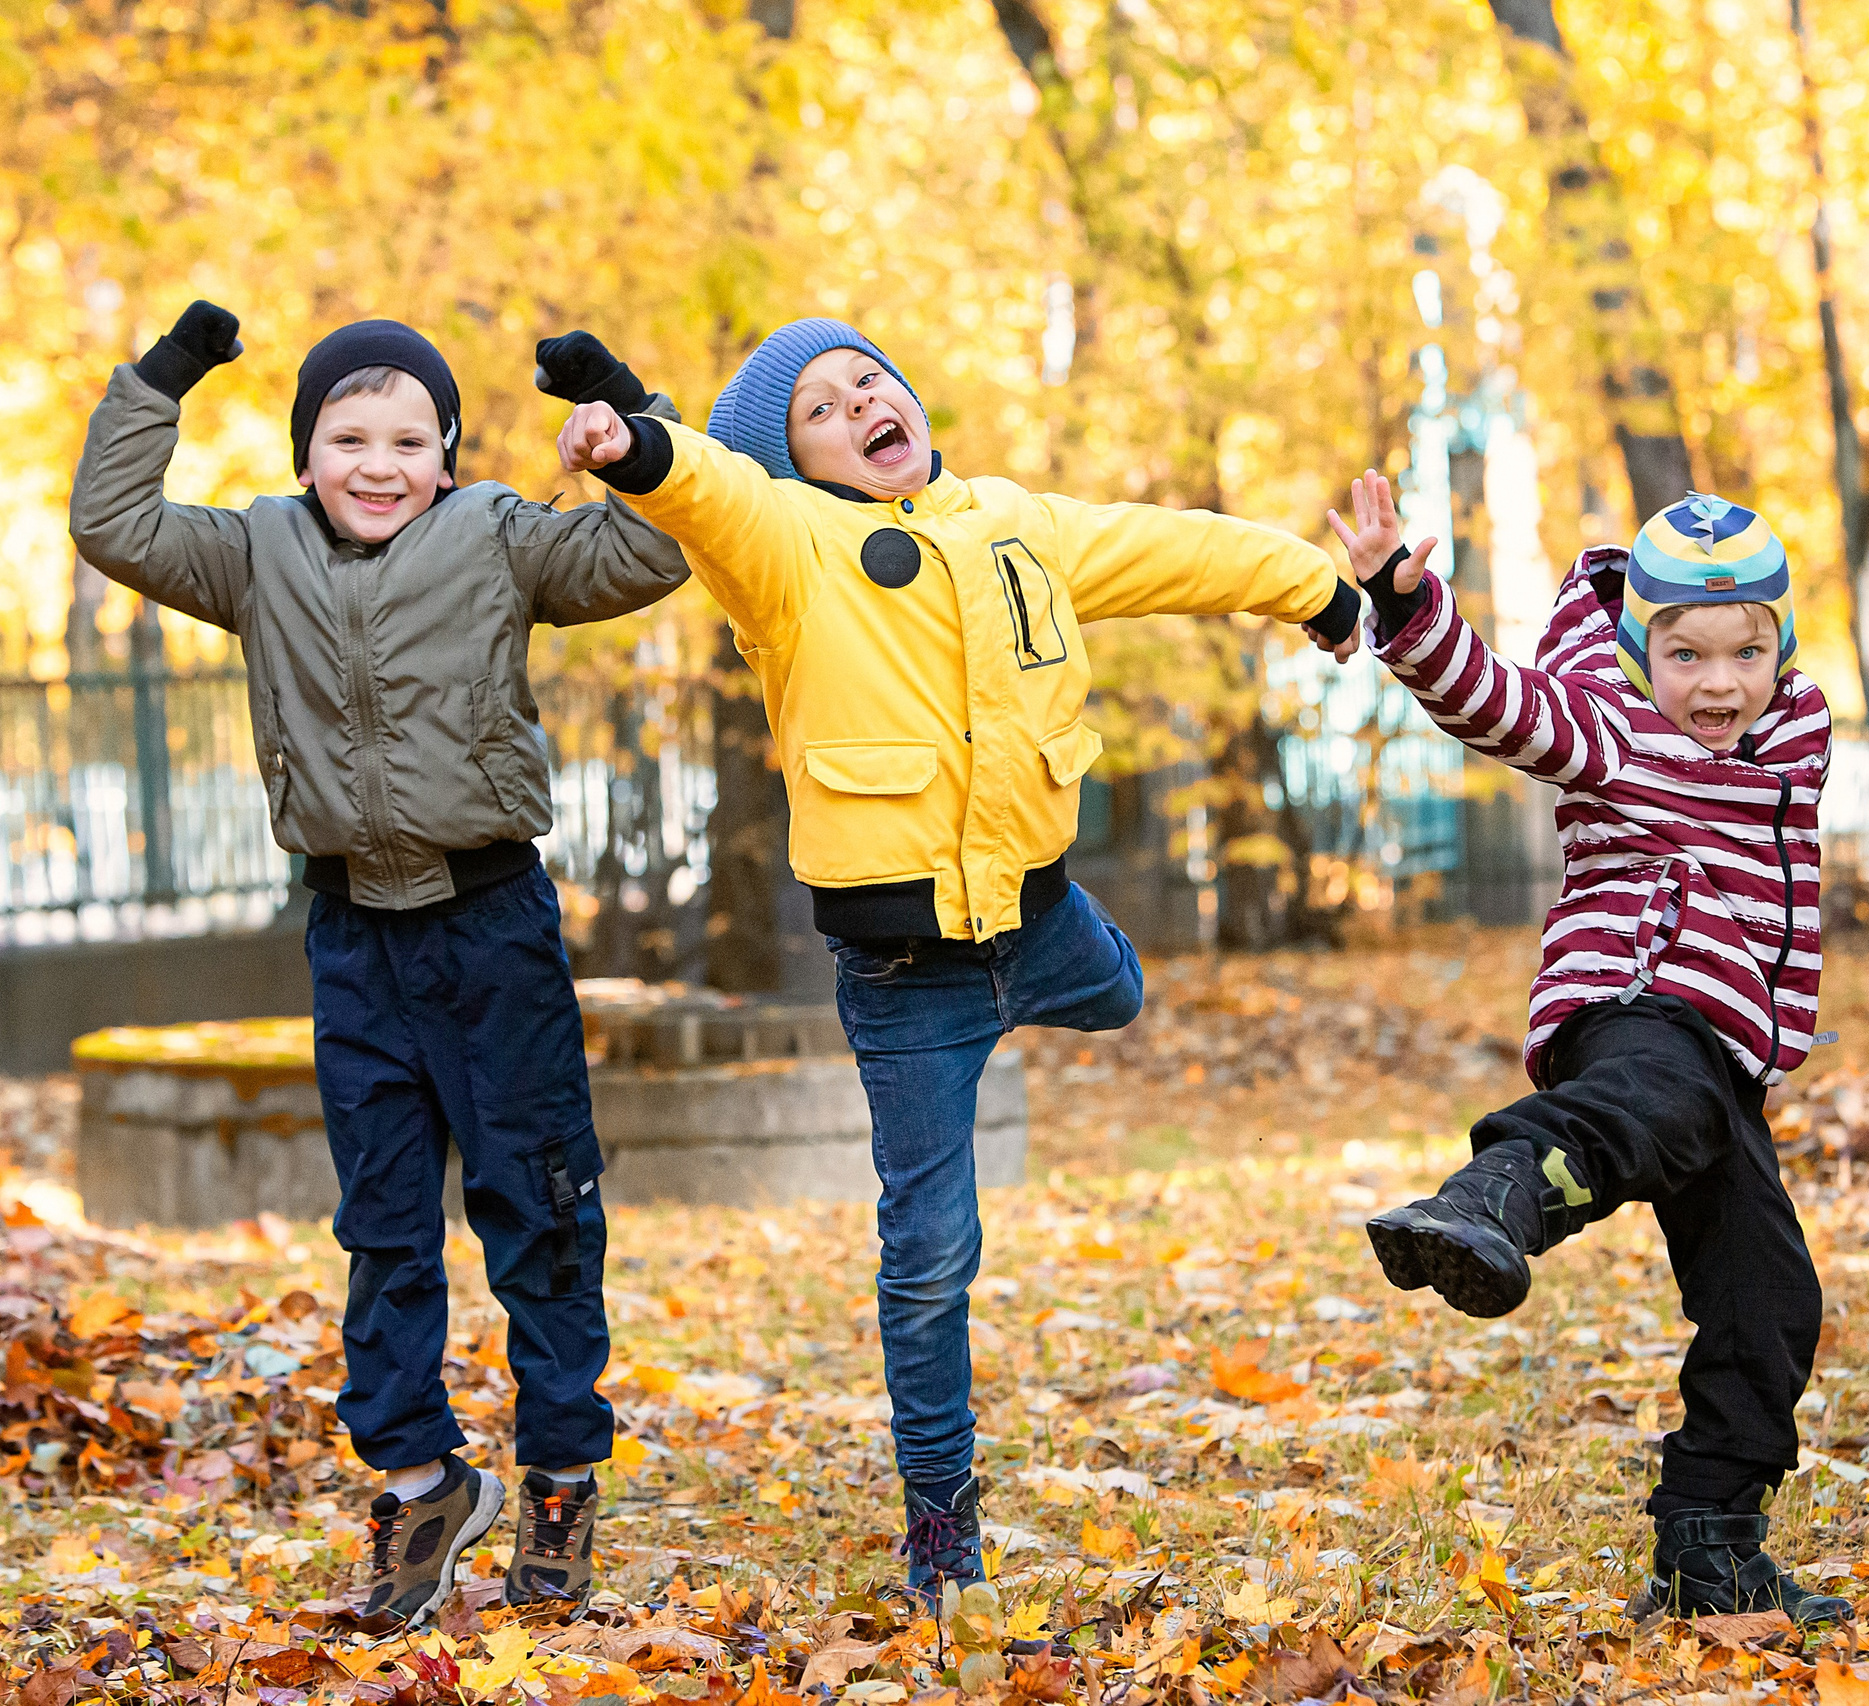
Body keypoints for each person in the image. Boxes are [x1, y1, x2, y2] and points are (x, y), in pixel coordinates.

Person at [537, 320, 1365, 1599]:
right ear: (795, 462)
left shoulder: (1014, 522)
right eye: (821, 405)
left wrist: (1312, 584)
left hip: (1038, 923)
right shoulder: (786, 551)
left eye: (870, 377)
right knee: (929, 1253)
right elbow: (705, 488)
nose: (860, 397)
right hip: (906, 979)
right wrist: (634, 440)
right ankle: (940, 1516)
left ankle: (1071, 949)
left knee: (1121, 988)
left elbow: (1174, 546)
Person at [69, 303, 693, 1628]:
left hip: (494, 930)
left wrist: (624, 417)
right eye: (347, 436)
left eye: (410, 437)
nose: (377, 461)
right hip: (353, 939)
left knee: (537, 1202)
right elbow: (112, 524)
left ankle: (564, 1475)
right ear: (306, 457)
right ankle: (420, 1481)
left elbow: (652, 548)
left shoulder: (502, 539)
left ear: (450, 457)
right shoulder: (254, 555)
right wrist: (164, 378)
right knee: (385, 1222)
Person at [1330, 476, 1851, 1624]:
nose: (1716, 684)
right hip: (1637, 1002)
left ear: (1781, 645)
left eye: (1743, 652)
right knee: (1651, 1106)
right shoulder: (1608, 726)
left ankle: (1709, 1546)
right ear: (1634, 650)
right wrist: (1406, 607)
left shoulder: (1792, 733)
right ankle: (1497, 1193)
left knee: (1769, 1298)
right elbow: (1500, 706)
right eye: (1684, 655)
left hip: (1720, 1063)